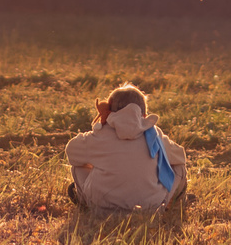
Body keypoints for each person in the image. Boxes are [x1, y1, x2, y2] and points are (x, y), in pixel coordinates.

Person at [65, 82, 190, 214]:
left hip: (103, 209)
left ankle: (84, 202)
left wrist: (97, 129)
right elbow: (180, 156)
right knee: (179, 167)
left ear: (108, 110)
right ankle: (173, 205)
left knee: (78, 164)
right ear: (144, 114)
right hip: (149, 209)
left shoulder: (99, 135)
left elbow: (71, 152)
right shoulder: (154, 133)